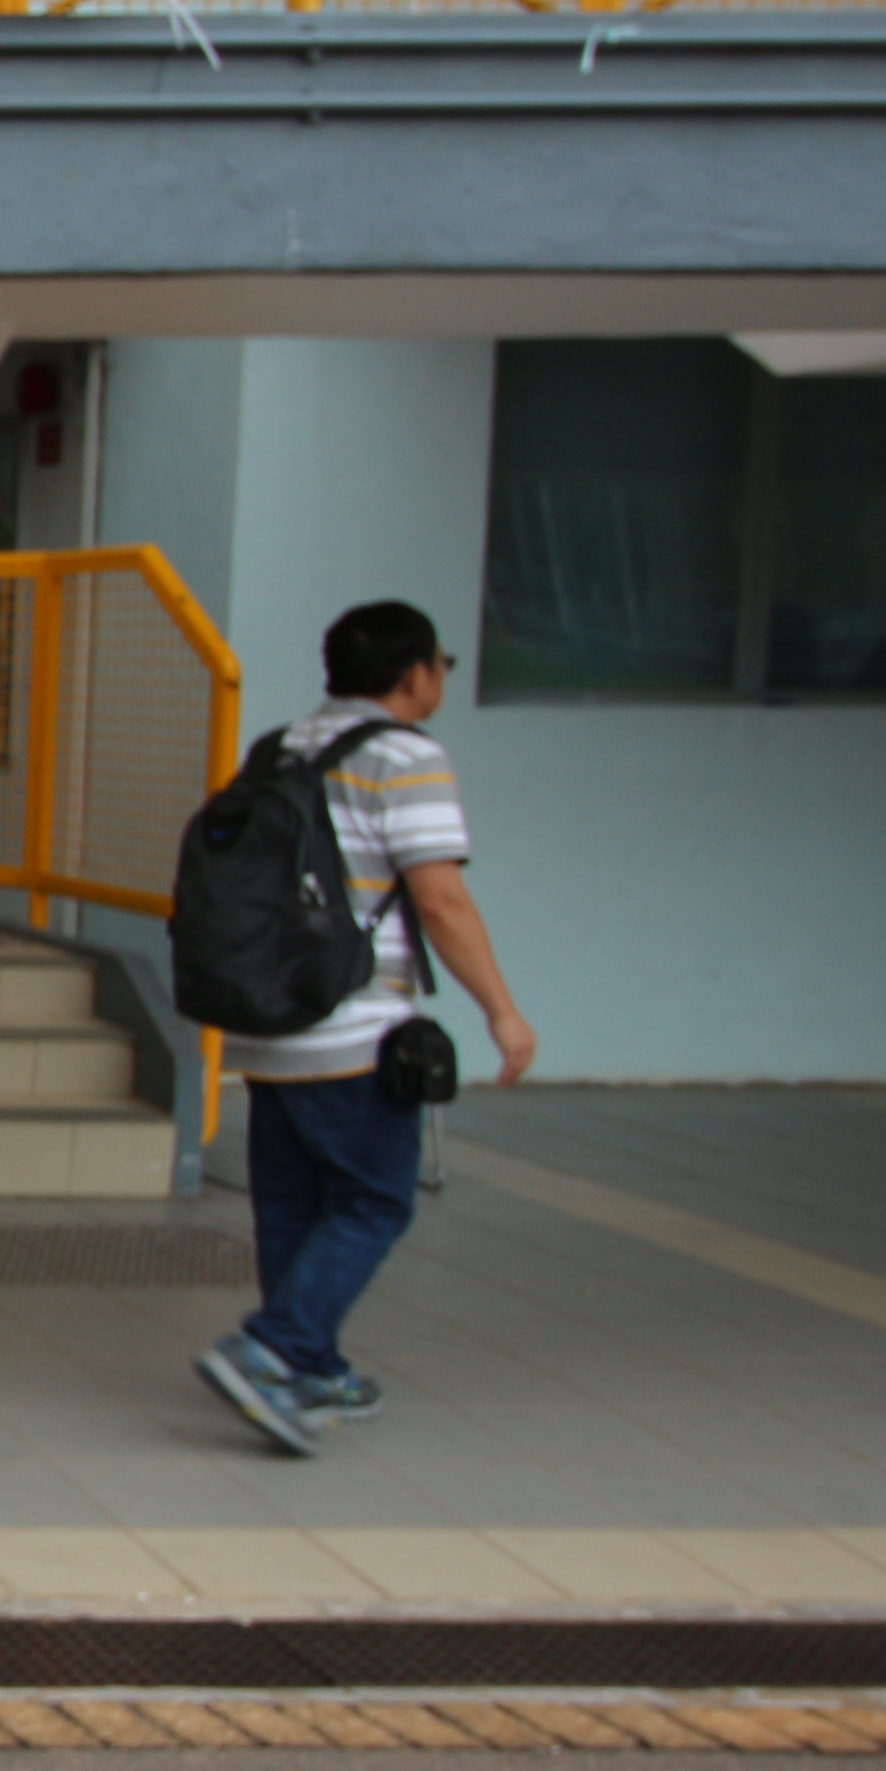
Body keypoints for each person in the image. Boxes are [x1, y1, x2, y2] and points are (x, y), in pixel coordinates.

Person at [194, 601, 536, 1458]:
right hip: (351, 1022)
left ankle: (308, 1368)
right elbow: (441, 900)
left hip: (269, 1019)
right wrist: (502, 1009)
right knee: (374, 1198)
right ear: (415, 673)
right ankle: (272, 1349)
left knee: (292, 1204)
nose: (440, 678)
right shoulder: (405, 757)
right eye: (441, 664)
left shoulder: (281, 747)